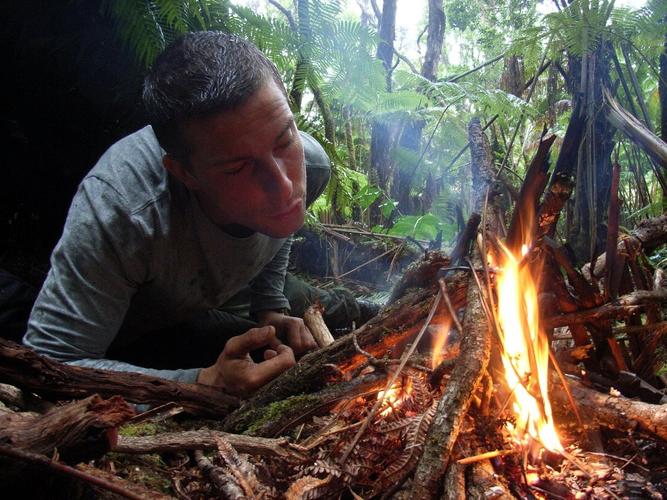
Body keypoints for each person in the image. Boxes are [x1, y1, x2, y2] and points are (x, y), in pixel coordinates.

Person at [23, 31, 336, 395]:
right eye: (238, 168)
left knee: (308, 337)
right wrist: (202, 383)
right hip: (117, 333)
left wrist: (269, 307)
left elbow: (283, 222)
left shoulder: (311, 168)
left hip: (193, 307)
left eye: (284, 140)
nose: (283, 186)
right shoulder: (125, 211)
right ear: (185, 173)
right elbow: (51, 360)